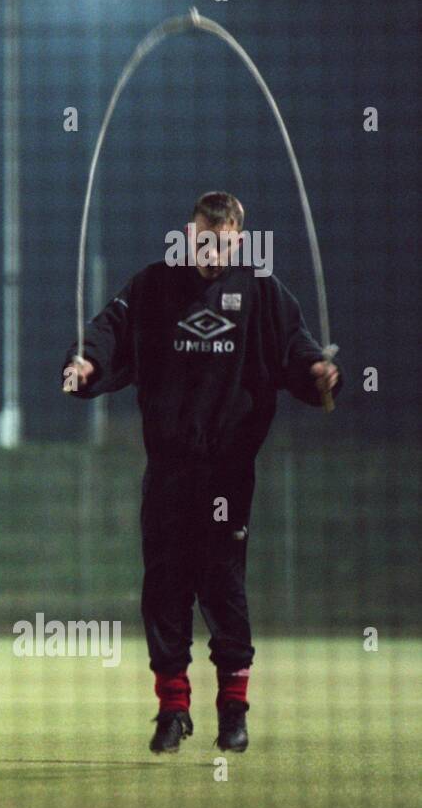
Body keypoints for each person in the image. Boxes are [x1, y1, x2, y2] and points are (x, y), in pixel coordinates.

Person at [62, 191, 341, 754]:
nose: (211, 250)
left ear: (238, 238)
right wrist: (85, 362)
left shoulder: (262, 293)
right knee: (164, 589)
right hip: (168, 472)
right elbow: (109, 330)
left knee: (223, 587)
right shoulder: (154, 287)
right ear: (189, 235)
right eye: (202, 239)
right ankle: (172, 710)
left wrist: (319, 373)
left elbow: (298, 351)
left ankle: (233, 712)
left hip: (227, 475)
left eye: (222, 240)